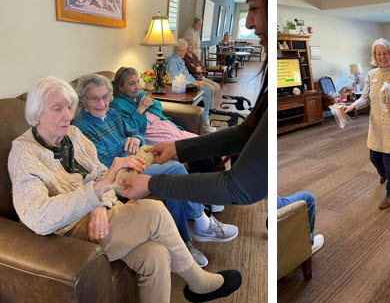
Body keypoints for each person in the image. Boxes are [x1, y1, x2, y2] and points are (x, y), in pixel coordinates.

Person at [9, 76, 240, 303]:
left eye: (68, 108)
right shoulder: (24, 154)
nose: (67, 116)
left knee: (156, 254)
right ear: (36, 114)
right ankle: (199, 283)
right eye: (57, 109)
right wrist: (95, 196)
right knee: (154, 211)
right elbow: (38, 217)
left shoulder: (73, 135)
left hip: (100, 216)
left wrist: (98, 204)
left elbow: (100, 175)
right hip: (67, 233)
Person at [118, 0, 268, 207]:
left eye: (254, 7)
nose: (250, 23)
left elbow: (240, 187)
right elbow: (246, 133)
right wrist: (178, 148)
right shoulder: (118, 107)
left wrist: (153, 184)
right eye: (249, 9)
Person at [73, 74, 238, 268]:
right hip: (117, 180)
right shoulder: (81, 130)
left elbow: (135, 132)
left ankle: (188, 239)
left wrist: (136, 139)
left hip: (135, 163)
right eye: (94, 98)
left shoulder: (112, 114)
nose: (102, 103)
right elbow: (99, 167)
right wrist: (127, 158)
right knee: (174, 169)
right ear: (83, 100)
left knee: (170, 182)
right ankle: (201, 225)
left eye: (105, 97)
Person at [342, 38, 390, 209]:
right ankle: (384, 174)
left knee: (389, 159)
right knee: (374, 157)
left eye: (385, 53)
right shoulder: (371, 75)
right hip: (376, 124)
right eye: (378, 54)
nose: (382, 57)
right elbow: (364, 98)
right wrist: (352, 106)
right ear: (375, 56)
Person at [167, 38, 216, 132]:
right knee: (206, 91)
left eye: (183, 50)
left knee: (206, 90)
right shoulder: (173, 61)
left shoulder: (179, 60)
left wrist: (196, 82)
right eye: (179, 50)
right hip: (181, 88)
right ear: (174, 51)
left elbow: (187, 75)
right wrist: (193, 83)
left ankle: (203, 119)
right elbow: (175, 79)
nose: (182, 53)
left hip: (190, 84)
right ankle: (205, 121)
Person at [183, 38, 223, 104]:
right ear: (186, 46)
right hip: (195, 78)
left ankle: (206, 103)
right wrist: (196, 68)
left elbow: (203, 67)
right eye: (190, 44)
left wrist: (198, 68)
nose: (193, 46)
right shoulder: (185, 57)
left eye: (194, 44)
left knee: (217, 87)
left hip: (201, 76)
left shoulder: (194, 55)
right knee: (211, 89)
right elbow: (192, 69)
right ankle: (209, 108)